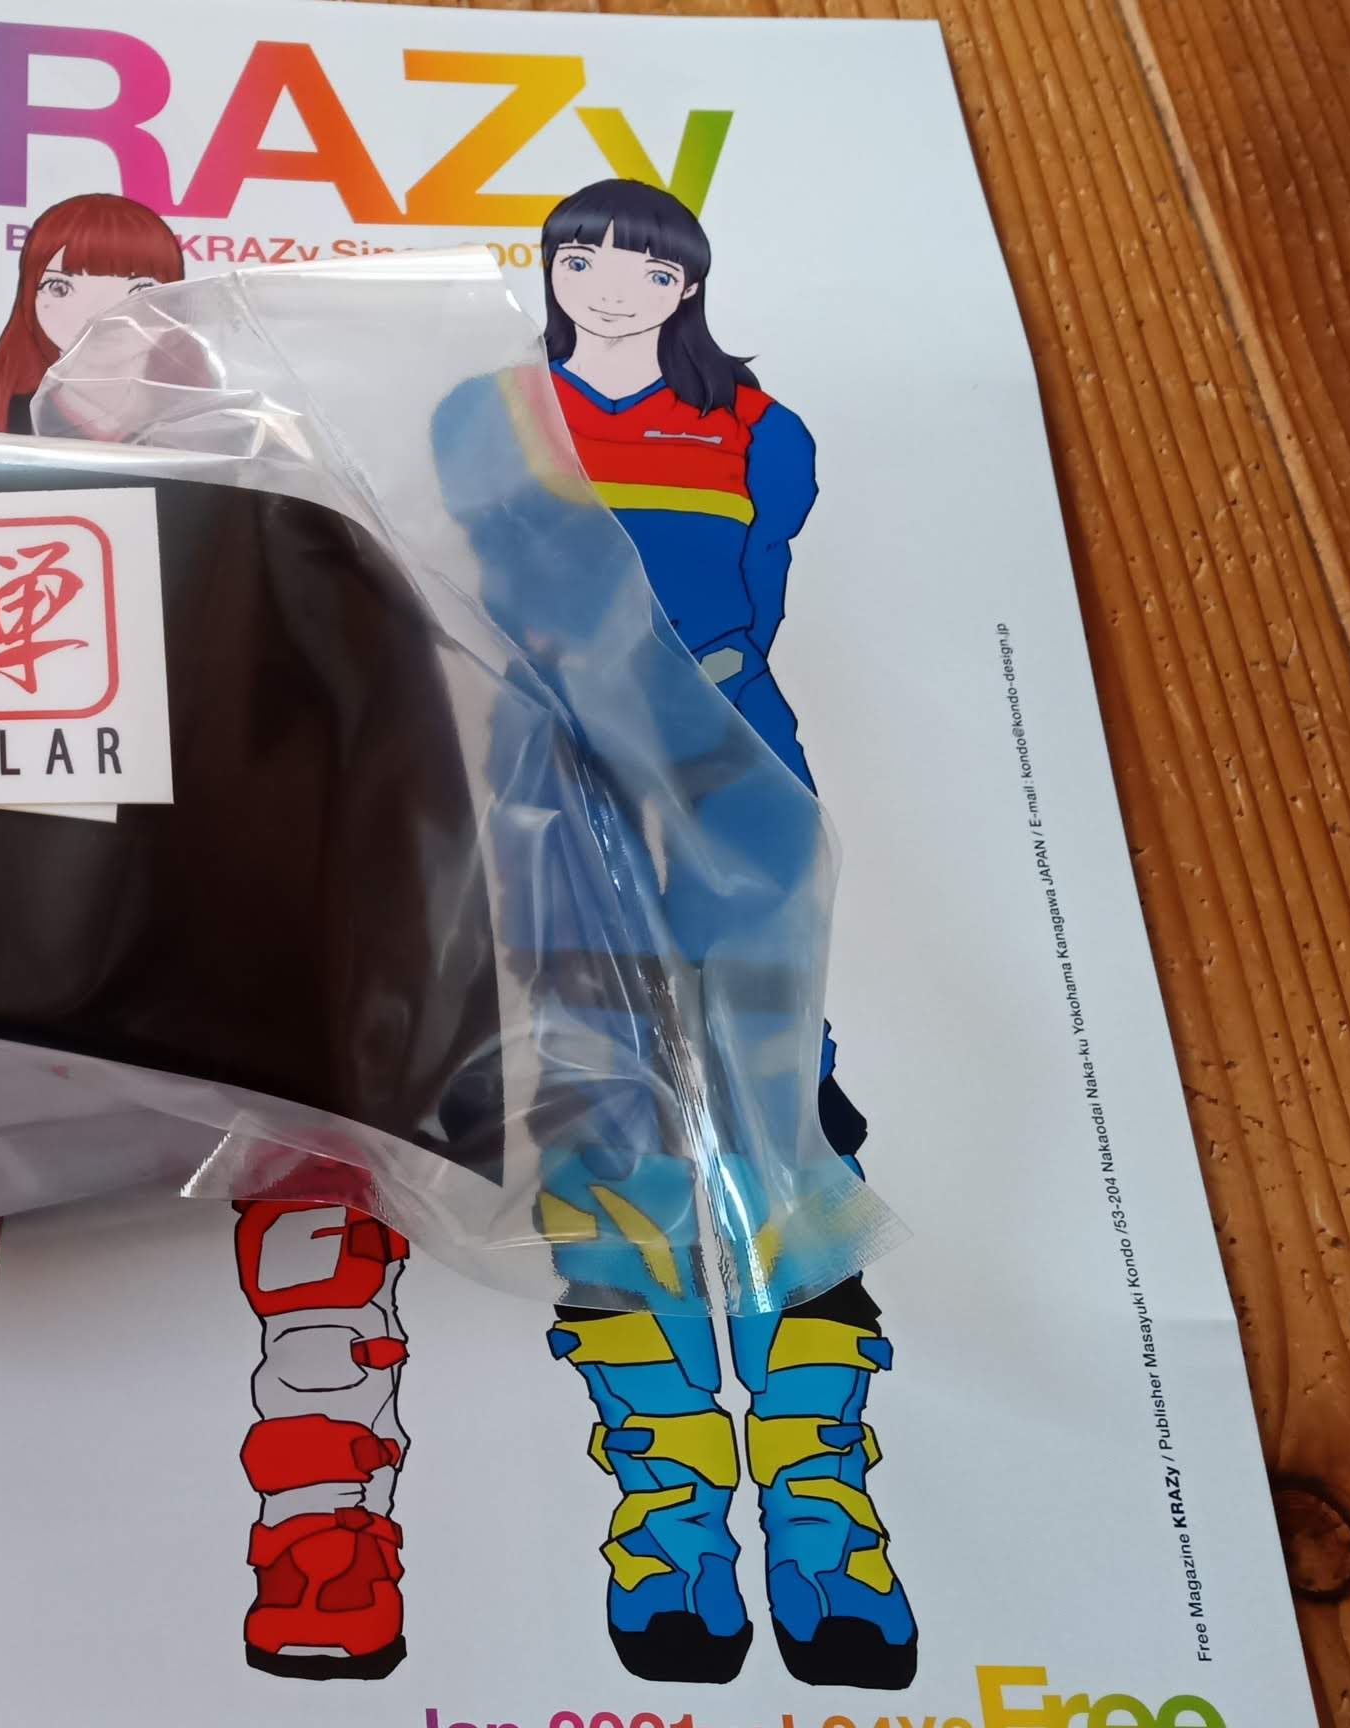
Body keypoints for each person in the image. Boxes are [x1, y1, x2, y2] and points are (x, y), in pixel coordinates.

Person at [526, 176, 916, 1690]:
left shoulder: (759, 425)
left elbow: (752, 592)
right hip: (552, 771)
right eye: (581, 254)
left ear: (686, 282)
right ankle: (670, 1519)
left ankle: (823, 1515)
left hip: (727, 756)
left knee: (779, 1105)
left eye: (642, 260)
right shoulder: (496, 415)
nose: (609, 281)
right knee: (605, 1119)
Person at [0, 193, 183, 436]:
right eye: (60, 288)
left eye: (140, 290)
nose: (98, 313)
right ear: (31, 297)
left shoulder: (195, 434)